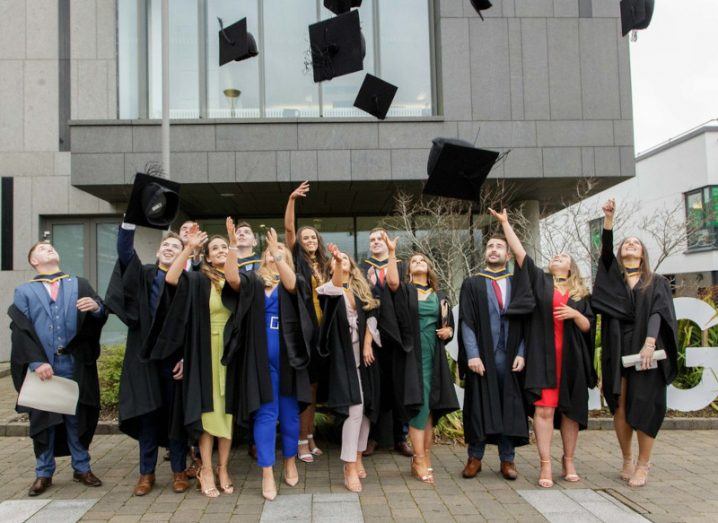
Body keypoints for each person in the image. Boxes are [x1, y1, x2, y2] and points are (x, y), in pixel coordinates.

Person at [492, 208, 595, 488]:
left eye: (562, 257)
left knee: (571, 414)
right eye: (554, 256)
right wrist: (505, 223)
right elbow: (521, 254)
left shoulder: (581, 295)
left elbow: (589, 326)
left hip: (571, 359)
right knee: (544, 411)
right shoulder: (541, 282)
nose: (556, 258)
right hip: (543, 357)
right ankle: (546, 464)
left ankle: (569, 460)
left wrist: (576, 315)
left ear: (571, 268)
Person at [147, 226, 240, 498]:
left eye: (225, 248)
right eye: (216, 249)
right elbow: (172, 278)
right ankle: (207, 469)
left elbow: (238, 290)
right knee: (209, 412)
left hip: (230, 350)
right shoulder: (199, 280)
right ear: (208, 257)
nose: (221, 251)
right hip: (204, 350)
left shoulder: (239, 279)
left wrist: (233, 244)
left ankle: (224, 468)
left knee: (228, 412)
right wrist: (188, 248)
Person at [223, 220, 313, 501]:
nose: (271, 256)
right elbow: (232, 280)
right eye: (268, 253)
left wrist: (278, 253)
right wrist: (233, 248)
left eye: (278, 253)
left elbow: (290, 283)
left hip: (289, 360)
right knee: (265, 415)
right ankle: (266, 472)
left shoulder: (294, 281)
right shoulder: (253, 280)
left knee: (288, 416)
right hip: (259, 361)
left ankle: (288, 461)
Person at [9, 241, 107, 496]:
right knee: (45, 422)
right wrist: (36, 362)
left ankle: (81, 467)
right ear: (33, 261)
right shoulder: (25, 292)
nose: (49, 249)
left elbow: (99, 314)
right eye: (41, 249)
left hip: (74, 364)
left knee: (77, 419)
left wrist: (97, 308)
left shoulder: (79, 283)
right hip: (42, 368)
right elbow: (20, 330)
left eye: (51, 246)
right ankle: (44, 473)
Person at [592, 198, 678, 488]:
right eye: (625, 243)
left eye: (635, 243)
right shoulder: (613, 282)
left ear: (642, 254)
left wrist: (650, 343)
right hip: (618, 350)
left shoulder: (657, 282)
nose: (630, 245)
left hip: (647, 351)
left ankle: (644, 463)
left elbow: (660, 313)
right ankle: (627, 458)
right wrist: (608, 221)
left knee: (645, 405)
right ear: (620, 252)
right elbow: (604, 256)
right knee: (620, 406)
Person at [105, 223, 190, 495]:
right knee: (147, 416)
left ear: (182, 255)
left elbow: (193, 325)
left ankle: (179, 470)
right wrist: (128, 224)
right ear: (157, 251)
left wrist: (187, 358)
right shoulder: (143, 276)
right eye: (166, 245)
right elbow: (125, 253)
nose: (169, 248)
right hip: (143, 359)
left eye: (175, 247)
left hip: (174, 360)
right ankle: (146, 474)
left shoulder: (187, 283)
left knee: (174, 416)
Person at [458, 233, 532, 481]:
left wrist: (522, 352)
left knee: (508, 407)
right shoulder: (472, 283)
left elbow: (525, 323)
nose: (494, 249)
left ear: (508, 255)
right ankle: (475, 457)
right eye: (490, 246)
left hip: (510, 355)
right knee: (479, 406)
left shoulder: (517, 284)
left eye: (499, 246)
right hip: (483, 358)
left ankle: (507, 460)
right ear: (485, 253)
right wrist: (472, 355)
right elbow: (466, 322)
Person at [385, 238, 459, 484]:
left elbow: (448, 325)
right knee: (419, 406)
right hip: (412, 356)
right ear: (409, 270)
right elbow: (392, 281)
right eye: (413, 261)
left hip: (434, 355)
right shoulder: (406, 291)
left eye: (421, 260)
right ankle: (418, 458)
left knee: (429, 409)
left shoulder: (440, 295)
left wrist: (449, 331)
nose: (417, 262)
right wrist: (392, 252)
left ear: (428, 268)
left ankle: (424, 455)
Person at [317, 244, 382, 493]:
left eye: (345, 258)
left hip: (363, 356)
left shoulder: (362, 288)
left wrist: (367, 344)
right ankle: (348, 466)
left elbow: (373, 314)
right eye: (336, 259)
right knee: (354, 408)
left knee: (366, 411)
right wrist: (336, 265)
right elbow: (334, 289)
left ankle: (358, 456)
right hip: (342, 358)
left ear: (353, 265)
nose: (341, 260)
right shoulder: (328, 289)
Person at [284, 181, 331, 462]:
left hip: (325, 332)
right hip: (306, 331)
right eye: (306, 237)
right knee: (306, 387)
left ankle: (310, 435)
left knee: (315, 388)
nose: (310, 240)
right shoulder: (297, 261)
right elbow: (289, 229)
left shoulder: (324, 264)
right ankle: (301, 440)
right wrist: (291, 199)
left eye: (314, 237)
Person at [359, 228, 412, 458]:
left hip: (398, 335)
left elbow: (399, 291)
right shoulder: (363, 269)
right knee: (374, 387)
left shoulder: (401, 266)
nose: (375, 242)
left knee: (399, 387)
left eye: (380, 238)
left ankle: (401, 437)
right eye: (372, 239)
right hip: (372, 334)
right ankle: (372, 437)